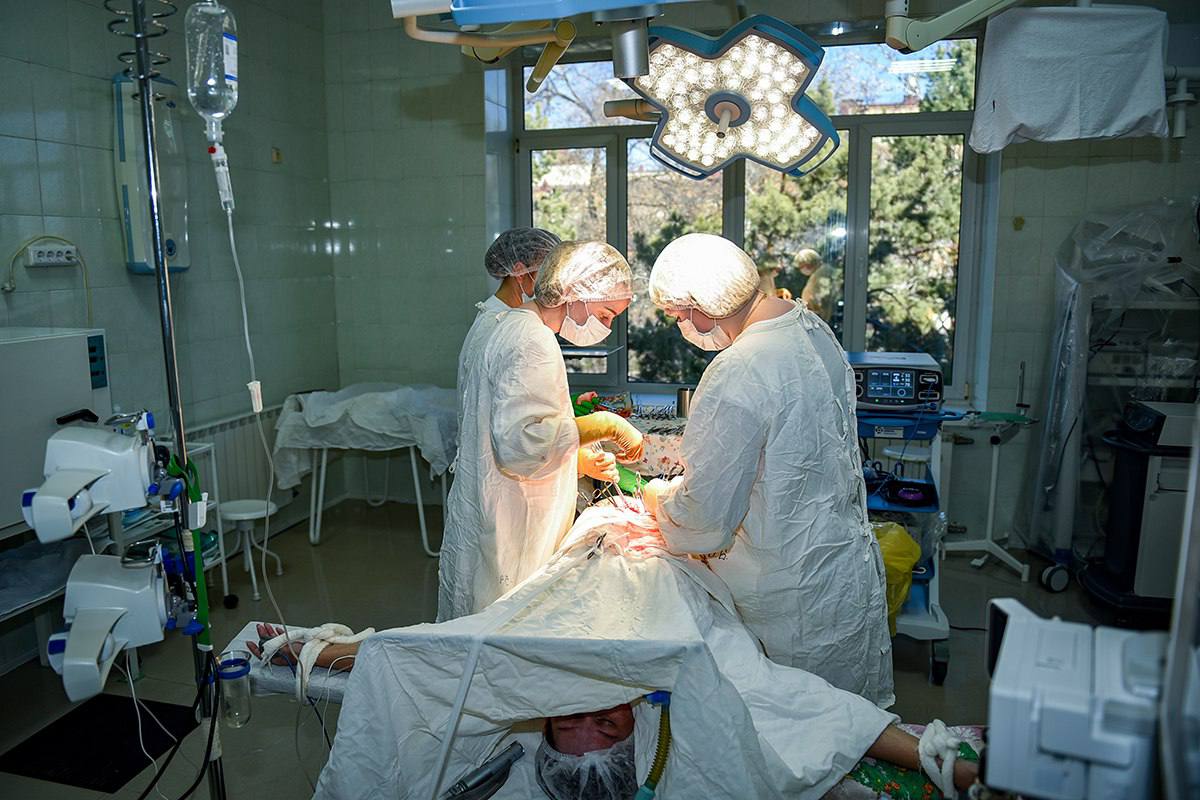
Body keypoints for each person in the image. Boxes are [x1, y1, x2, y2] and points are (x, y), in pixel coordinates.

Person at [641, 233, 893, 708]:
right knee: (846, 721)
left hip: (785, 594)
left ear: (702, 305)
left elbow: (706, 521)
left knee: (792, 728)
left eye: (677, 314)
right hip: (840, 569)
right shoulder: (810, 327)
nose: (680, 326)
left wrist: (659, 499)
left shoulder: (739, 367)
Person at [438, 240, 644, 621]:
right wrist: (603, 424)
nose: (607, 326)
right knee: (503, 627)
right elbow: (520, 444)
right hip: (512, 523)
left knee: (479, 628)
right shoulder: (531, 338)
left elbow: (508, 423)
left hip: (498, 505)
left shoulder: (515, 326)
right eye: (606, 313)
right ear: (576, 291)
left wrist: (575, 458)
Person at [797, 247, 835, 321]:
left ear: (808, 264)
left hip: (820, 316)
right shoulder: (818, 273)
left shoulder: (823, 273)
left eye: (801, 266)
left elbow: (822, 296)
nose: (801, 269)